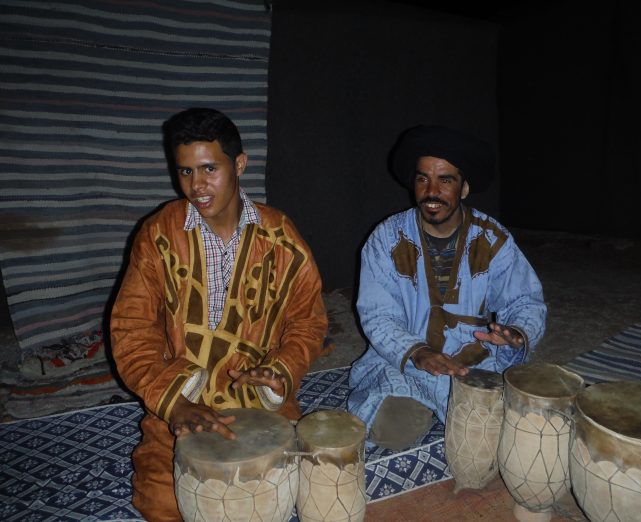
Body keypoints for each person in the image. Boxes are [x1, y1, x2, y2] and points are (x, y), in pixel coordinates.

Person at [110, 108, 328, 521]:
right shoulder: (158, 234)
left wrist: (280, 370)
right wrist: (174, 405)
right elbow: (131, 330)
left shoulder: (281, 237)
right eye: (186, 171)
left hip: (260, 405)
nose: (197, 185)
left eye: (209, 168)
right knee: (164, 503)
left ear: (239, 164)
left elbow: (308, 319)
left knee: (310, 489)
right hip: (180, 399)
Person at [347, 125, 546, 451]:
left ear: (464, 187)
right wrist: (418, 352)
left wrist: (516, 333)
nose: (431, 191)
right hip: (409, 362)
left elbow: (525, 299)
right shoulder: (385, 239)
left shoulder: (493, 239)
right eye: (422, 178)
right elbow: (377, 314)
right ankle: (429, 403)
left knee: (526, 429)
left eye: (445, 180)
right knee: (389, 430)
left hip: (476, 361)